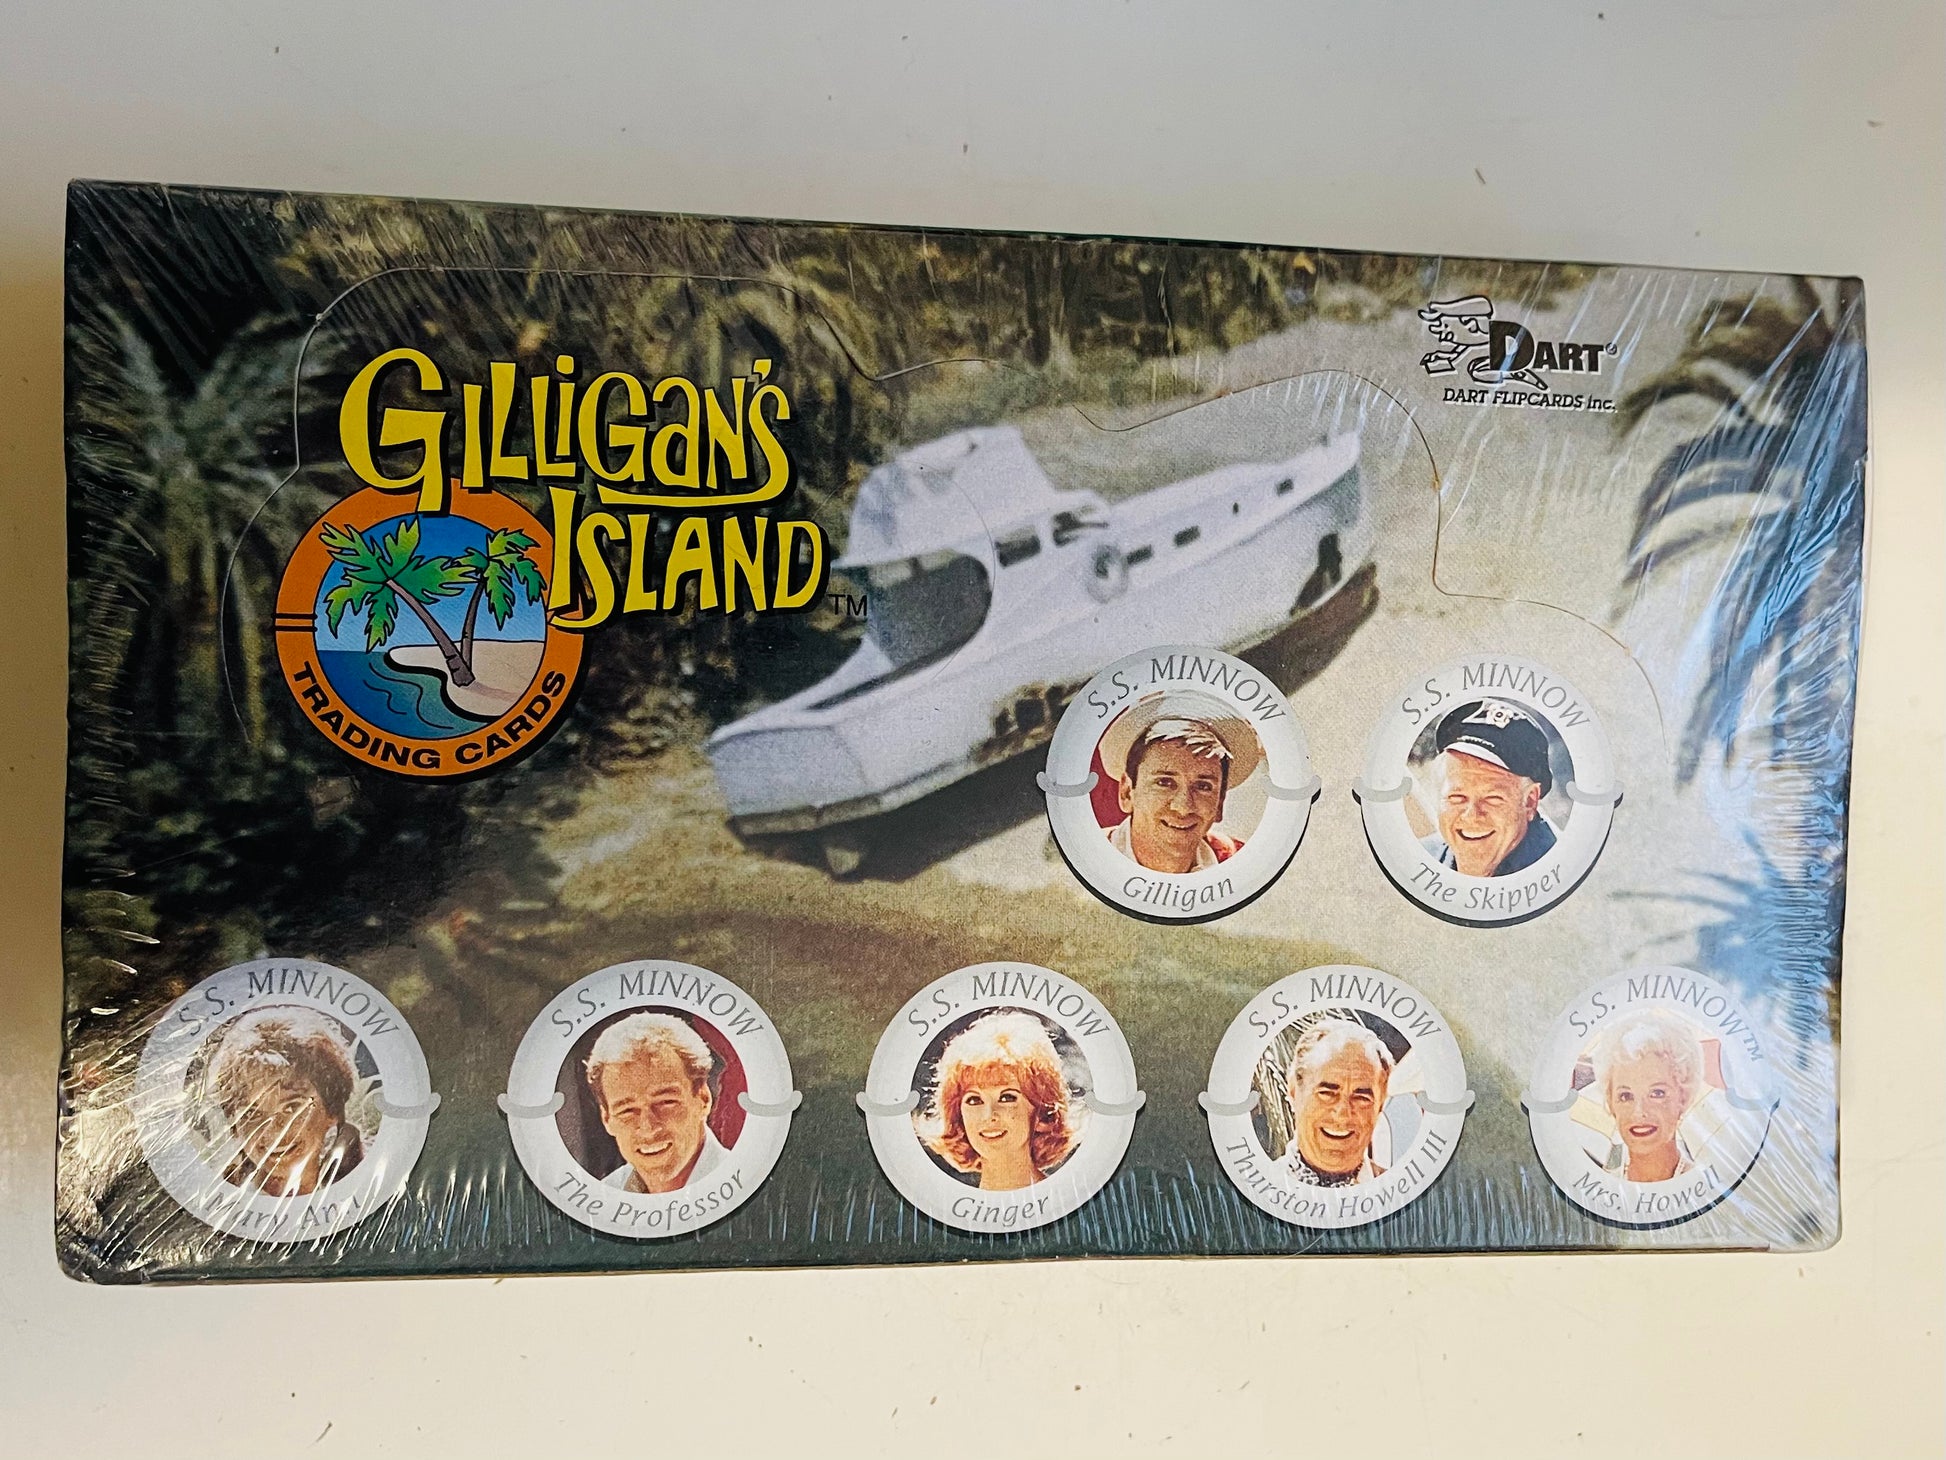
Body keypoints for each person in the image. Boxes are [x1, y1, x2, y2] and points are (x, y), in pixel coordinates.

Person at [208, 1007, 366, 1198]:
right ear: (235, 1127)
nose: (274, 1131)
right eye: (252, 1113)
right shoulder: (215, 1193)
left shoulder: (366, 1183)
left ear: (332, 1109)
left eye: (292, 1107)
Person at [1098, 692, 1264, 874]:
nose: (1183, 807)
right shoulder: (1090, 856)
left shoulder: (1242, 863)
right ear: (1127, 793)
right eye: (1164, 782)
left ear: (1219, 803)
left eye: (1203, 786)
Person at [922, 1011, 1078, 1191]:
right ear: (958, 1117)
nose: (989, 1116)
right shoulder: (950, 1203)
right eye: (974, 1100)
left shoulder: (1066, 1196)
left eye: (1007, 1098)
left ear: (1041, 1112)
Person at [584, 1012, 728, 1195]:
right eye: (627, 1111)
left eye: (666, 1102)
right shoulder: (602, 1197)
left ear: (703, 1099)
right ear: (606, 1119)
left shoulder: (745, 1181)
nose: (648, 1129)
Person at [1420, 698, 1560, 877]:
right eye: (1457, 797)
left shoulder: (1560, 872)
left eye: (1492, 799)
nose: (1471, 816)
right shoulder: (1419, 862)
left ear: (1530, 802)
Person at [1280, 1017, 1394, 1187]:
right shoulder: (1251, 1189)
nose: (1342, 1115)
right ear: (1293, 1091)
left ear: (1380, 1104)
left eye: (1361, 1098)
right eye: (1327, 1093)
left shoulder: (1402, 1193)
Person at [1592, 1011, 1705, 1182]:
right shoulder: (1602, 1183)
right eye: (1626, 1096)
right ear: (1610, 1102)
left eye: (1657, 1093)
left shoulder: (1703, 1184)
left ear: (1683, 1098)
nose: (1639, 1112)